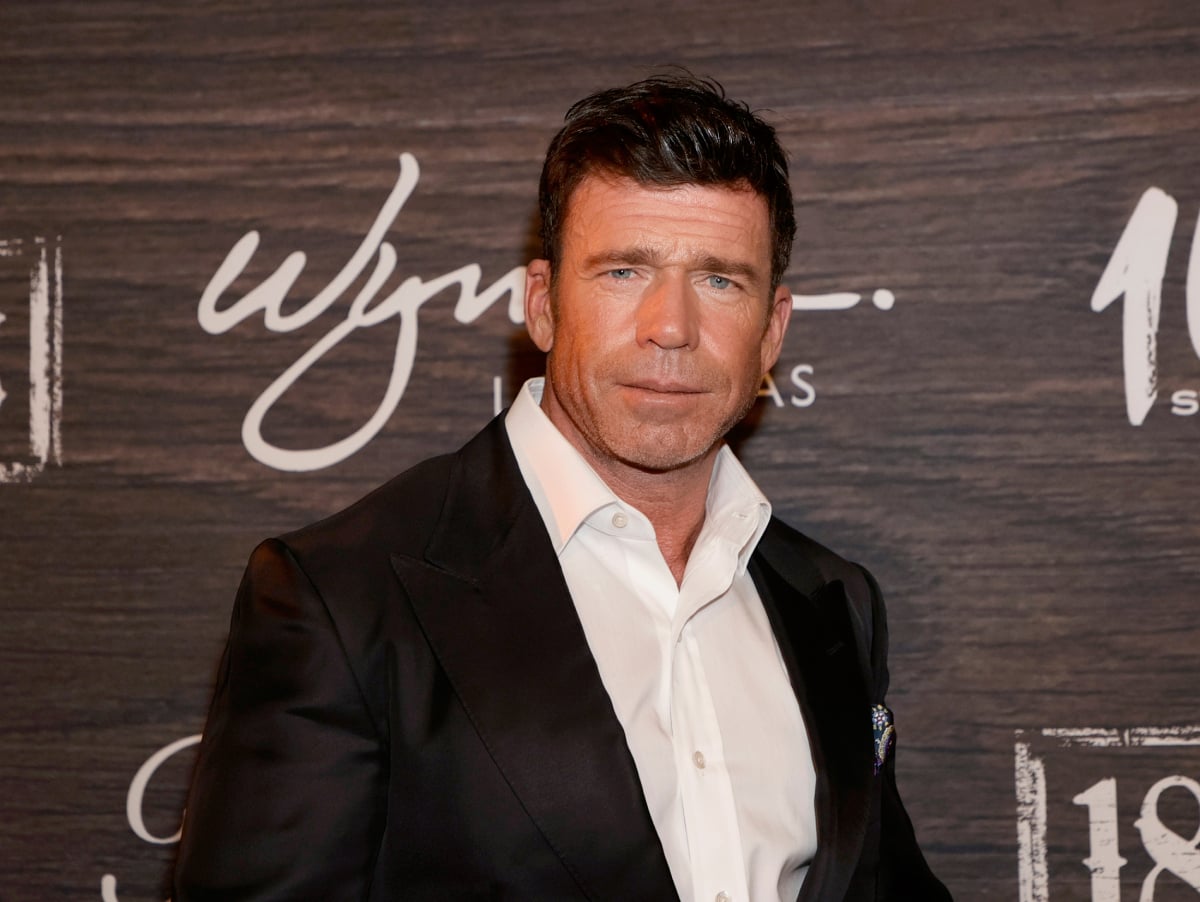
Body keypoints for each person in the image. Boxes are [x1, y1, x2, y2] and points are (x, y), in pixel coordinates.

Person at [175, 73, 951, 902]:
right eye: (623, 272)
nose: (671, 327)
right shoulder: (339, 599)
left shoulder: (832, 600)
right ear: (542, 305)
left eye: (720, 280)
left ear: (772, 331)